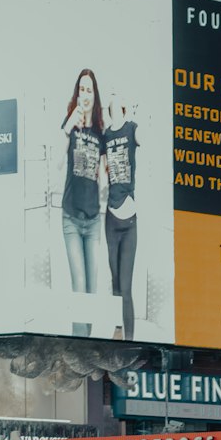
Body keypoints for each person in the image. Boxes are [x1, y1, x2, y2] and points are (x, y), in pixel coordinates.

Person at [59, 67, 104, 336]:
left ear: (94, 95)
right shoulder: (69, 126)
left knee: (93, 288)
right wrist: (67, 128)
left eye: (89, 90)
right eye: (81, 89)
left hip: (94, 219)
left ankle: (89, 345)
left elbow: (107, 173)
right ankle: (78, 344)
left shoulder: (101, 131)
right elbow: (55, 162)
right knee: (79, 285)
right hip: (71, 218)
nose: (85, 94)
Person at [102, 96, 139, 340]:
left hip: (129, 215)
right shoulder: (106, 134)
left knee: (126, 287)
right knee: (114, 284)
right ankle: (116, 334)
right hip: (110, 216)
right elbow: (103, 168)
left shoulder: (132, 129)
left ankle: (131, 339)